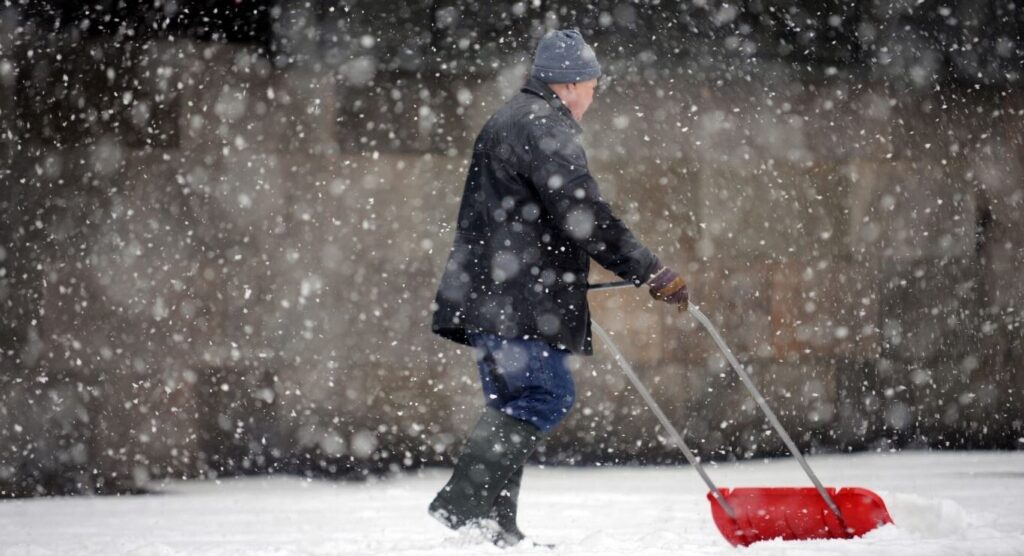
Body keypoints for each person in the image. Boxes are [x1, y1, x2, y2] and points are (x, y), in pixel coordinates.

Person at [428, 29, 688, 547]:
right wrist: (648, 269)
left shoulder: (505, 120)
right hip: (521, 302)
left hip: (488, 297)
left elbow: (522, 218)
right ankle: (463, 506)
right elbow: (583, 214)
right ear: (571, 83)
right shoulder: (545, 126)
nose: (593, 97)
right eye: (592, 85)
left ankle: (494, 530)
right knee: (546, 393)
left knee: (509, 407)